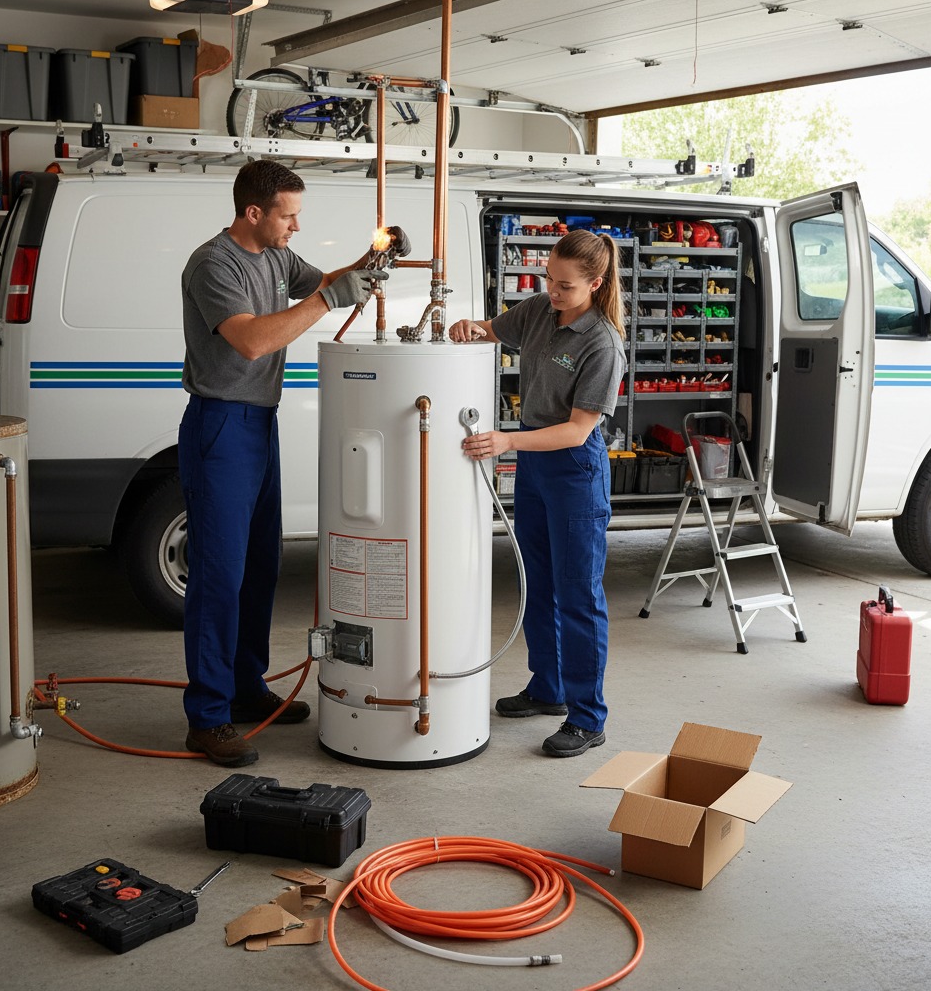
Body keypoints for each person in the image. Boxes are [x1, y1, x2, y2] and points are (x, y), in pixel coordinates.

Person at [179, 159, 409, 767]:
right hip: (220, 424)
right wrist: (331, 297)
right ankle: (206, 716)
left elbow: (326, 280)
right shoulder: (214, 264)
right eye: (289, 215)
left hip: (259, 423)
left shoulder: (277, 257)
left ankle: (246, 689)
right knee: (218, 575)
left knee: (260, 566)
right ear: (253, 212)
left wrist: (372, 261)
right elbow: (253, 339)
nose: (296, 227)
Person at [449, 228, 626, 758]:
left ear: (595, 284)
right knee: (536, 584)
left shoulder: (602, 343)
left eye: (566, 286)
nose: (553, 290)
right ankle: (547, 689)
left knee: (578, 596)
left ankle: (588, 716)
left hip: (573, 470)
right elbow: (488, 331)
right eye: (549, 278)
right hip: (535, 466)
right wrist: (467, 327)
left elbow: (577, 430)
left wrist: (505, 439)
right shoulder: (536, 312)